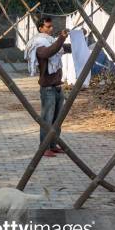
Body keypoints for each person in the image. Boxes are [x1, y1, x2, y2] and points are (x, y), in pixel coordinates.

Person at [24, 16, 71, 158]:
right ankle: (44, 147)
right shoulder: (38, 44)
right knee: (47, 119)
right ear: (41, 28)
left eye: (51, 26)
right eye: (48, 27)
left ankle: (52, 145)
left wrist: (79, 39)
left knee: (57, 119)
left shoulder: (51, 41)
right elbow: (48, 52)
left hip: (57, 87)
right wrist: (61, 39)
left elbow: (63, 48)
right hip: (48, 89)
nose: (51, 29)